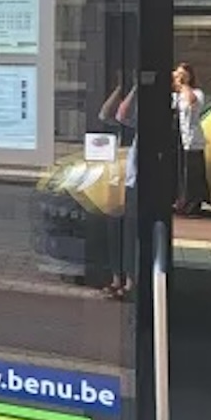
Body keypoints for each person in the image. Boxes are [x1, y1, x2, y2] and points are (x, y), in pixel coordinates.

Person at [98, 73, 136, 301]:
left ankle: (129, 281)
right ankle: (116, 278)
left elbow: (123, 113)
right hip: (116, 179)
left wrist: (134, 89)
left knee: (130, 233)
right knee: (115, 230)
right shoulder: (120, 126)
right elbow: (104, 113)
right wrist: (121, 88)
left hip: (131, 180)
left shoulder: (135, 120)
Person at [173, 62, 206, 215]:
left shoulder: (197, 93)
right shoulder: (176, 96)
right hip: (178, 138)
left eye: (183, 75)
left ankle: (193, 203)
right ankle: (181, 200)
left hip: (192, 140)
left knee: (192, 173)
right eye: (178, 74)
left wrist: (184, 85)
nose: (180, 77)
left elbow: (192, 102)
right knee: (180, 172)